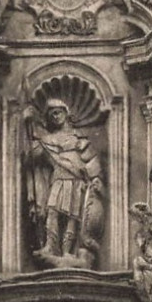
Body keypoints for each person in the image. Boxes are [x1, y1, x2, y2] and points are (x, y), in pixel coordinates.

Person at [23, 99, 104, 268]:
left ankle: (68, 251)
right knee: (52, 211)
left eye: (58, 112)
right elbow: (32, 157)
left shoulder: (78, 137)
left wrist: (96, 178)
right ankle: (50, 247)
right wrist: (29, 126)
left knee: (71, 218)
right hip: (58, 180)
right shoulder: (48, 139)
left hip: (76, 181)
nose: (55, 116)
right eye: (51, 114)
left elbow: (90, 160)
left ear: (66, 113)